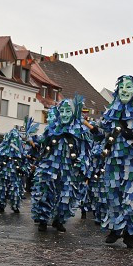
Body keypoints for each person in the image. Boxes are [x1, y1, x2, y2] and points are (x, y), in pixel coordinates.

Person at [97, 75, 133, 249]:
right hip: (114, 159)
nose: (124, 90)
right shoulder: (111, 113)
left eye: (129, 87)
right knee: (113, 195)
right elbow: (102, 134)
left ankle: (130, 233)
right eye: (121, 87)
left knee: (132, 197)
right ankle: (115, 229)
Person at [30, 96, 92, 235]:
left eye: (68, 111)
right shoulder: (52, 129)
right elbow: (42, 145)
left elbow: (85, 151)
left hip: (70, 169)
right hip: (50, 166)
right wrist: (34, 142)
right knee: (45, 191)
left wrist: (82, 165)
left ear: (74, 113)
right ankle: (43, 220)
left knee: (67, 195)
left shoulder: (80, 131)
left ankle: (59, 220)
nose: (64, 114)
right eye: (62, 111)